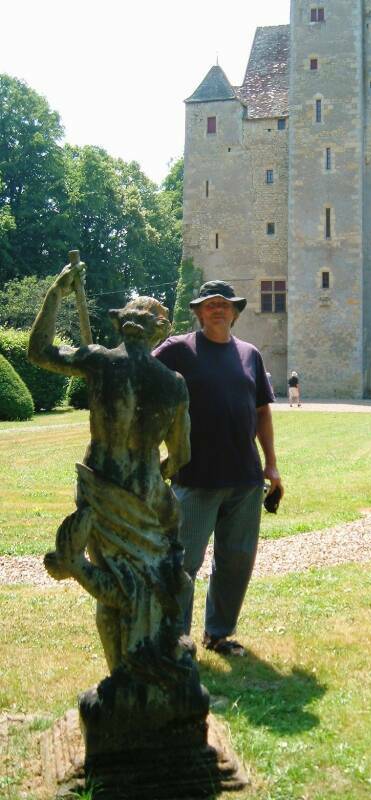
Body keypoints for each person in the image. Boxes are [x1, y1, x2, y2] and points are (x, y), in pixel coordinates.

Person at [28, 261, 195, 676]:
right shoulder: (173, 383)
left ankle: (123, 679)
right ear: (160, 332)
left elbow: (38, 351)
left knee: (112, 591)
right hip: (150, 498)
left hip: (102, 490)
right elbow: (181, 456)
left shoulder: (99, 360)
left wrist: (55, 294)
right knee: (154, 588)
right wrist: (157, 470)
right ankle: (152, 675)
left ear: (122, 324)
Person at [153, 280, 283, 656]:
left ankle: (219, 634)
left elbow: (262, 412)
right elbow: (141, 373)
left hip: (244, 476)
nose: (217, 310)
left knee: (236, 561)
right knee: (183, 562)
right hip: (196, 476)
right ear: (198, 312)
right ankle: (176, 639)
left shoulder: (250, 355)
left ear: (236, 312)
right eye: (209, 304)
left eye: (224, 305)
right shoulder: (179, 350)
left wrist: (271, 466)